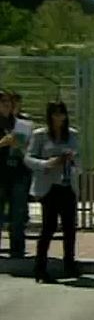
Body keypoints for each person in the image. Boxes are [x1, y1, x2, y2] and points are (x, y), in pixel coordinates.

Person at [24, 101, 81, 283]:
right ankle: (40, 268)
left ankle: (69, 263)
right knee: (48, 227)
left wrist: (71, 160)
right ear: (49, 116)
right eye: (55, 114)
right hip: (49, 187)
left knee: (70, 227)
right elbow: (28, 158)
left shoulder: (72, 135)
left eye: (62, 114)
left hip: (67, 185)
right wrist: (47, 163)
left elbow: (79, 158)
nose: (59, 118)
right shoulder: (40, 135)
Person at [0, 89, 31, 258]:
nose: (6, 105)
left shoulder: (21, 124)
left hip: (19, 172)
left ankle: (17, 249)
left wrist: (24, 145)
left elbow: (31, 148)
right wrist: (2, 143)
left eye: (8, 102)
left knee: (18, 213)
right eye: (2, 102)